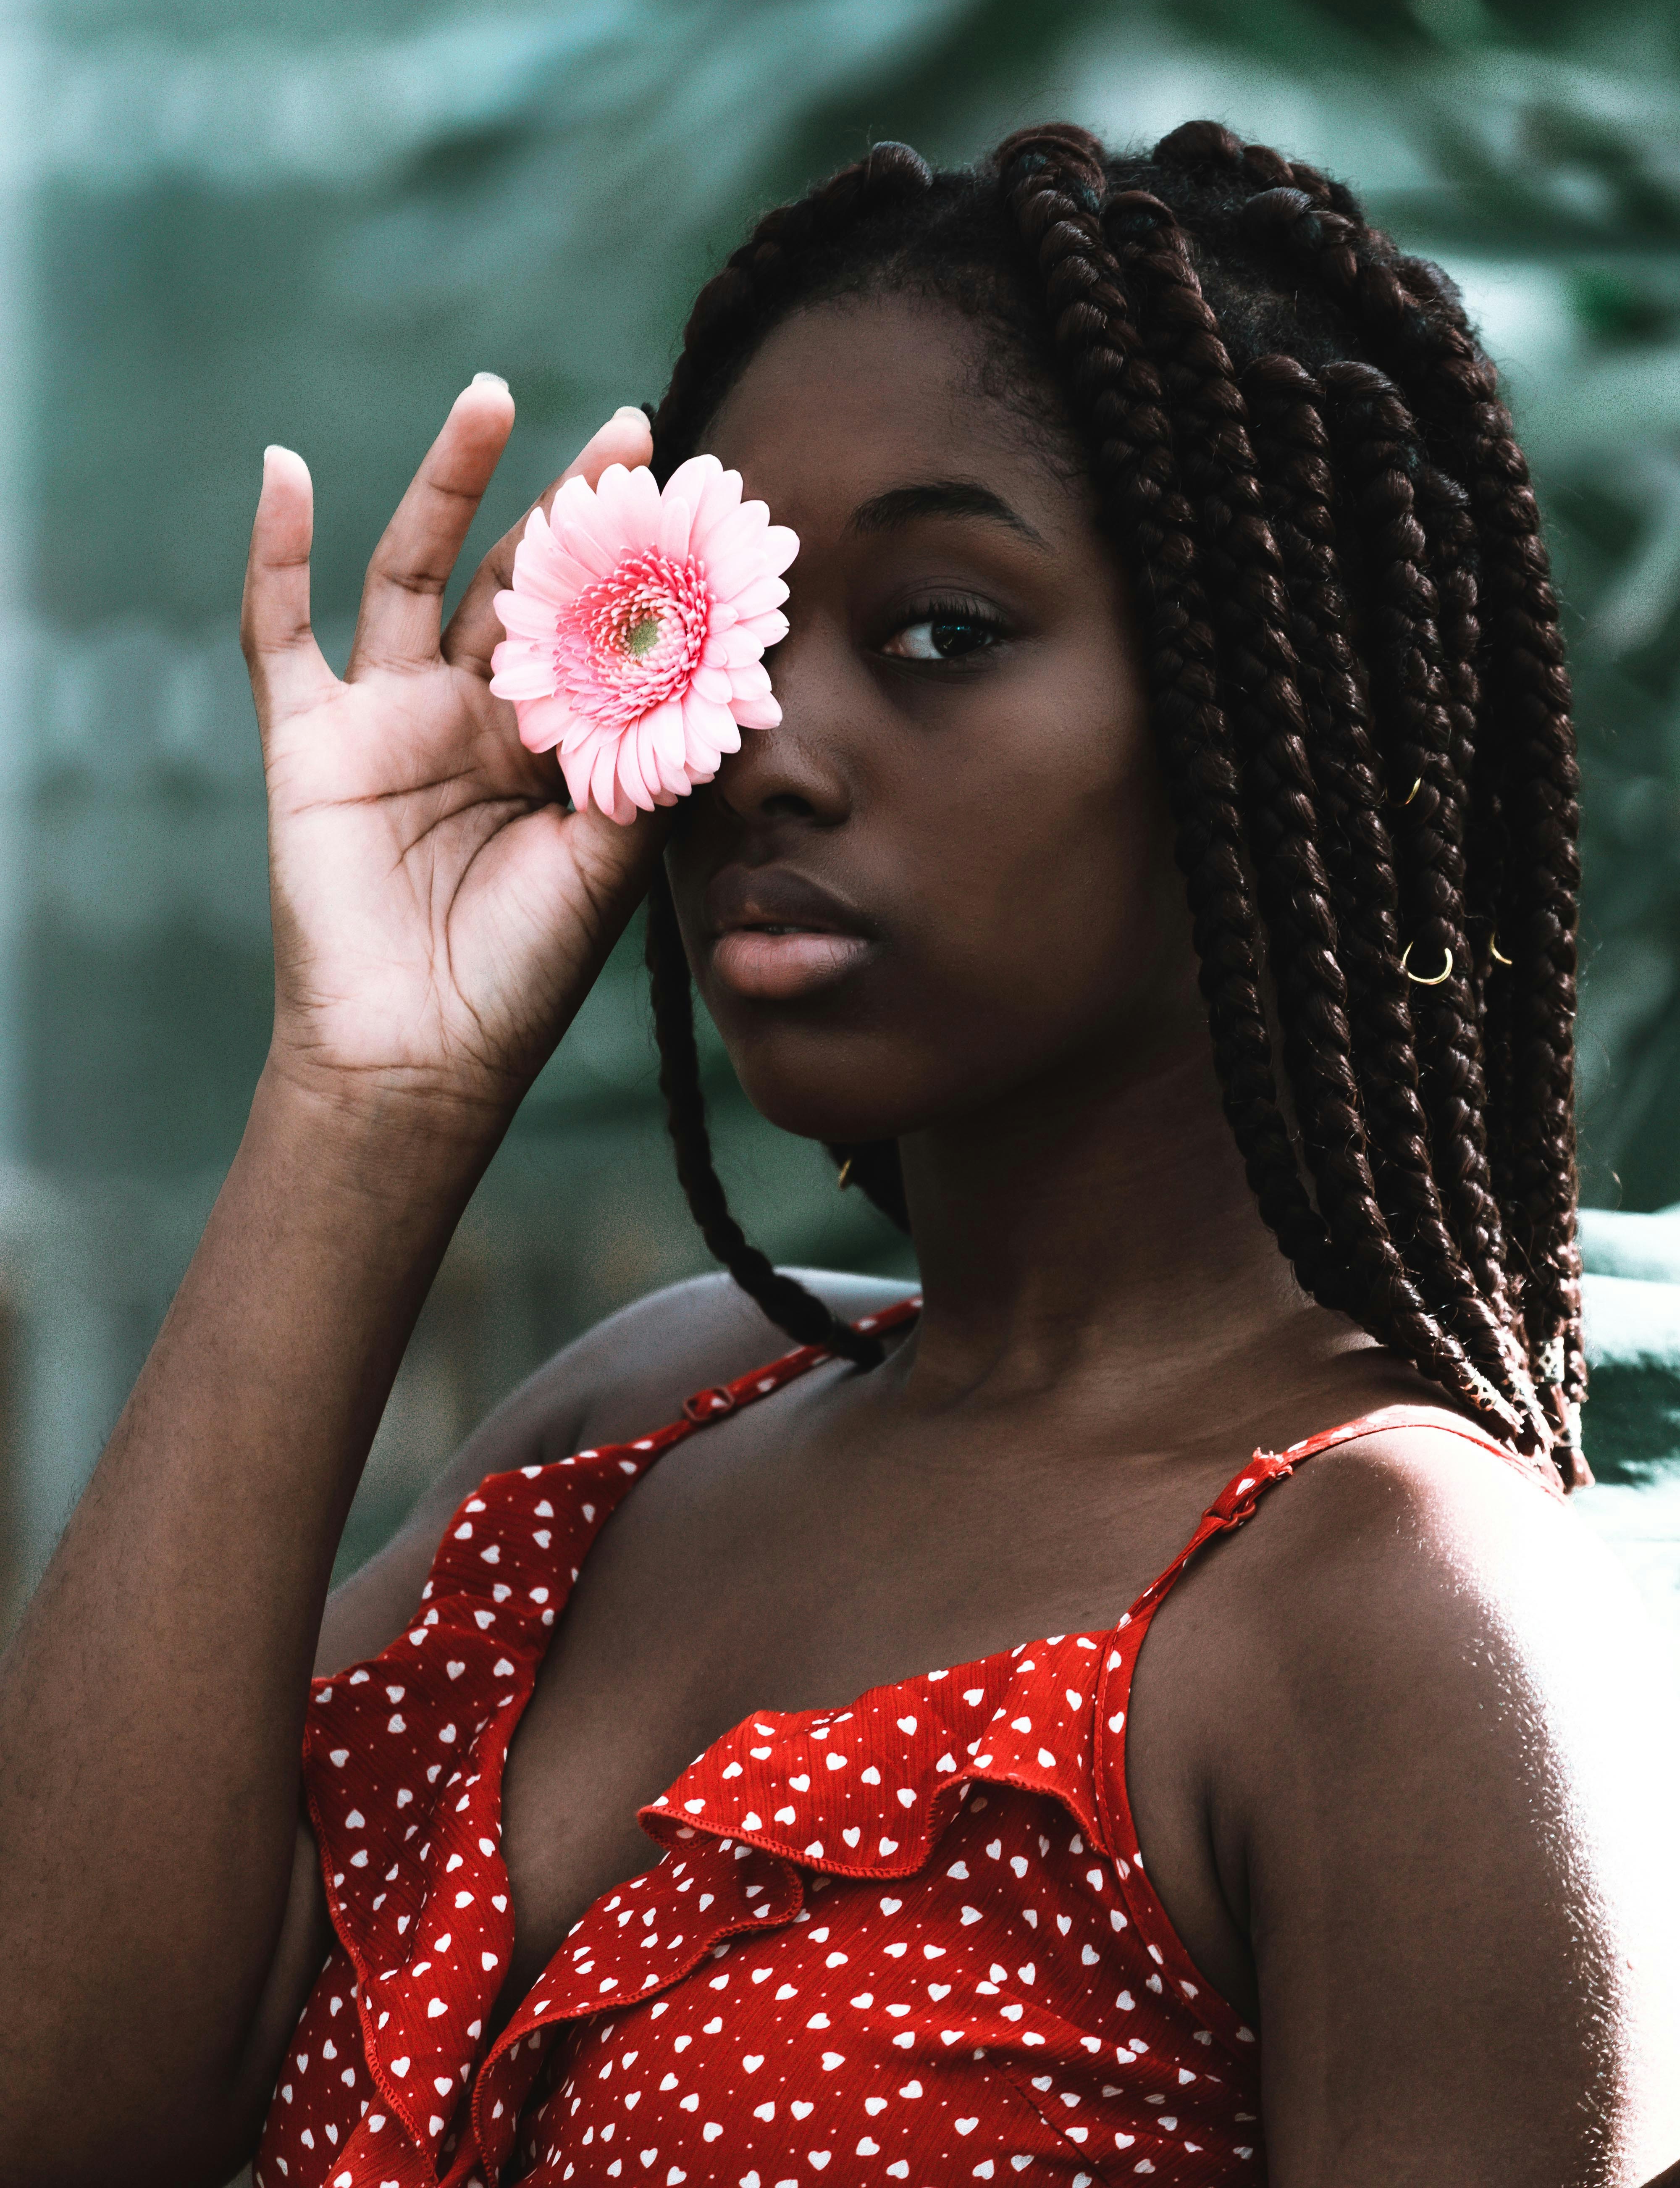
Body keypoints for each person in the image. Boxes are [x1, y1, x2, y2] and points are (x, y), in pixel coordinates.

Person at [2, 120, 1677, 2188]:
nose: (765, 749)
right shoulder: (635, 1423)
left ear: (1285, 713)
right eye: (720, 643)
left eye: (941, 631)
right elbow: (48, 2100)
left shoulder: (1395, 1617)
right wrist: (365, 1103)